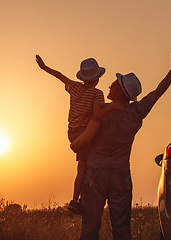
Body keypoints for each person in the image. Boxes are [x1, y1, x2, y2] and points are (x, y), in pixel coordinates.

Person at [70, 48, 171, 240]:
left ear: (118, 91)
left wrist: (74, 144)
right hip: (121, 175)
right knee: (122, 232)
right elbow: (158, 91)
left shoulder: (100, 112)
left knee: (89, 231)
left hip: (94, 175)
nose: (109, 85)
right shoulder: (136, 113)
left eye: (114, 84)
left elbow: (81, 139)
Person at [36, 55, 121, 214]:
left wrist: (44, 67)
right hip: (85, 132)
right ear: (97, 79)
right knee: (84, 166)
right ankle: (75, 200)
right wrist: (113, 106)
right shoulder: (97, 94)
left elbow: (59, 75)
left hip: (72, 132)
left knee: (84, 164)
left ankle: (79, 199)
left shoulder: (74, 87)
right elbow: (97, 113)